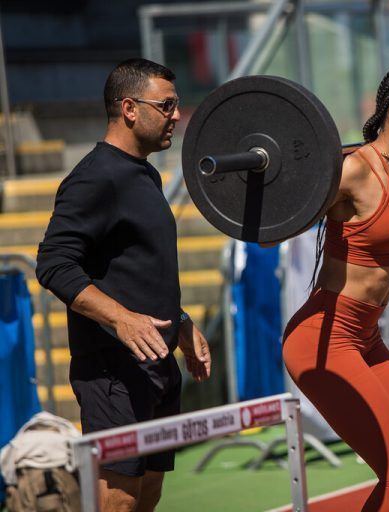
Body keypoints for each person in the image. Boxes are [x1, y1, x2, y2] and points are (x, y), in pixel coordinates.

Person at [36, 58, 211, 512]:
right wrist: (121, 320)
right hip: (113, 376)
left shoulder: (146, 173)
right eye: (167, 105)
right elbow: (54, 263)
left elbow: (137, 268)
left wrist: (183, 323)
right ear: (130, 109)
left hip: (155, 369)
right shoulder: (95, 177)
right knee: (117, 502)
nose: (176, 114)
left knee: (148, 495)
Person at [282, 65, 389, 511]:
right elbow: (273, 225)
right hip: (323, 340)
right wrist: (272, 174)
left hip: (366, 338)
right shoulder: (353, 170)